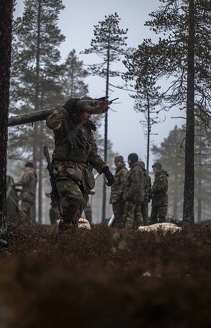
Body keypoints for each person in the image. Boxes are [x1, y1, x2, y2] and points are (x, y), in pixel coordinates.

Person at [46, 96, 114, 231]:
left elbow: (93, 154)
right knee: (74, 198)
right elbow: (51, 122)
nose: (89, 116)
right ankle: (66, 231)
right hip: (64, 170)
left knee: (79, 207)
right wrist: (65, 109)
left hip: (82, 174)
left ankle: (67, 237)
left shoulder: (87, 129)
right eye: (88, 112)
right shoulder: (64, 122)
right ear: (80, 110)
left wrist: (105, 169)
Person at [123, 153, 144, 229]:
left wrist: (128, 195)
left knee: (129, 216)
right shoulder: (136, 169)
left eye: (128, 160)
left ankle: (128, 233)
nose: (128, 161)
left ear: (131, 160)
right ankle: (142, 231)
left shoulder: (135, 170)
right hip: (136, 197)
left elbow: (135, 184)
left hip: (133, 197)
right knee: (138, 215)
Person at [109, 155, 128, 228]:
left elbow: (124, 185)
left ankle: (121, 232)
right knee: (117, 217)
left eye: (118, 161)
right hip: (116, 198)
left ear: (122, 162)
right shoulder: (118, 171)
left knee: (120, 218)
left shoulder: (123, 171)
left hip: (119, 199)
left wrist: (119, 196)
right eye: (115, 162)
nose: (116, 163)